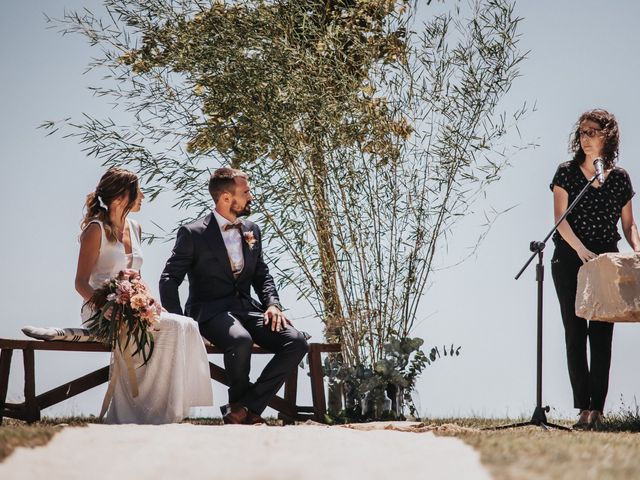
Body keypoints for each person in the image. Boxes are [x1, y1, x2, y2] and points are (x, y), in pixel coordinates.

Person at [160, 167, 309, 424]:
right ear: (227, 198)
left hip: (247, 309)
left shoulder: (252, 229)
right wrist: (181, 323)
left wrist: (273, 305)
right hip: (209, 311)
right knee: (240, 340)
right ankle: (243, 411)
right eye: (246, 191)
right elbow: (169, 279)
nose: (251, 196)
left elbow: (262, 275)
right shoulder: (193, 233)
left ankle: (244, 408)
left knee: (296, 341)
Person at [75, 167, 212, 424]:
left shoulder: (135, 227)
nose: (143, 196)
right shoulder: (95, 230)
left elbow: (136, 274)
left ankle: (161, 407)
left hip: (134, 304)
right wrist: (107, 306)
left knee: (185, 324)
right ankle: (137, 409)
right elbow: (81, 283)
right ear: (119, 197)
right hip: (100, 308)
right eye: (137, 191)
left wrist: (148, 302)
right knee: (172, 328)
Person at [550, 109, 640, 428]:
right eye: (582, 132)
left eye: (592, 132)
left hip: (606, 262)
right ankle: (582, 407)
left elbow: (629, 225)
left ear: (607, 135)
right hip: (570, 258)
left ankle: (597, 409)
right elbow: (560, 220)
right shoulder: (566, 172)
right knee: (575, 333)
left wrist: (637, 250)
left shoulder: (620, 178)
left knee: (601, 334)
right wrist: (580, 249)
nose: (585, 138)